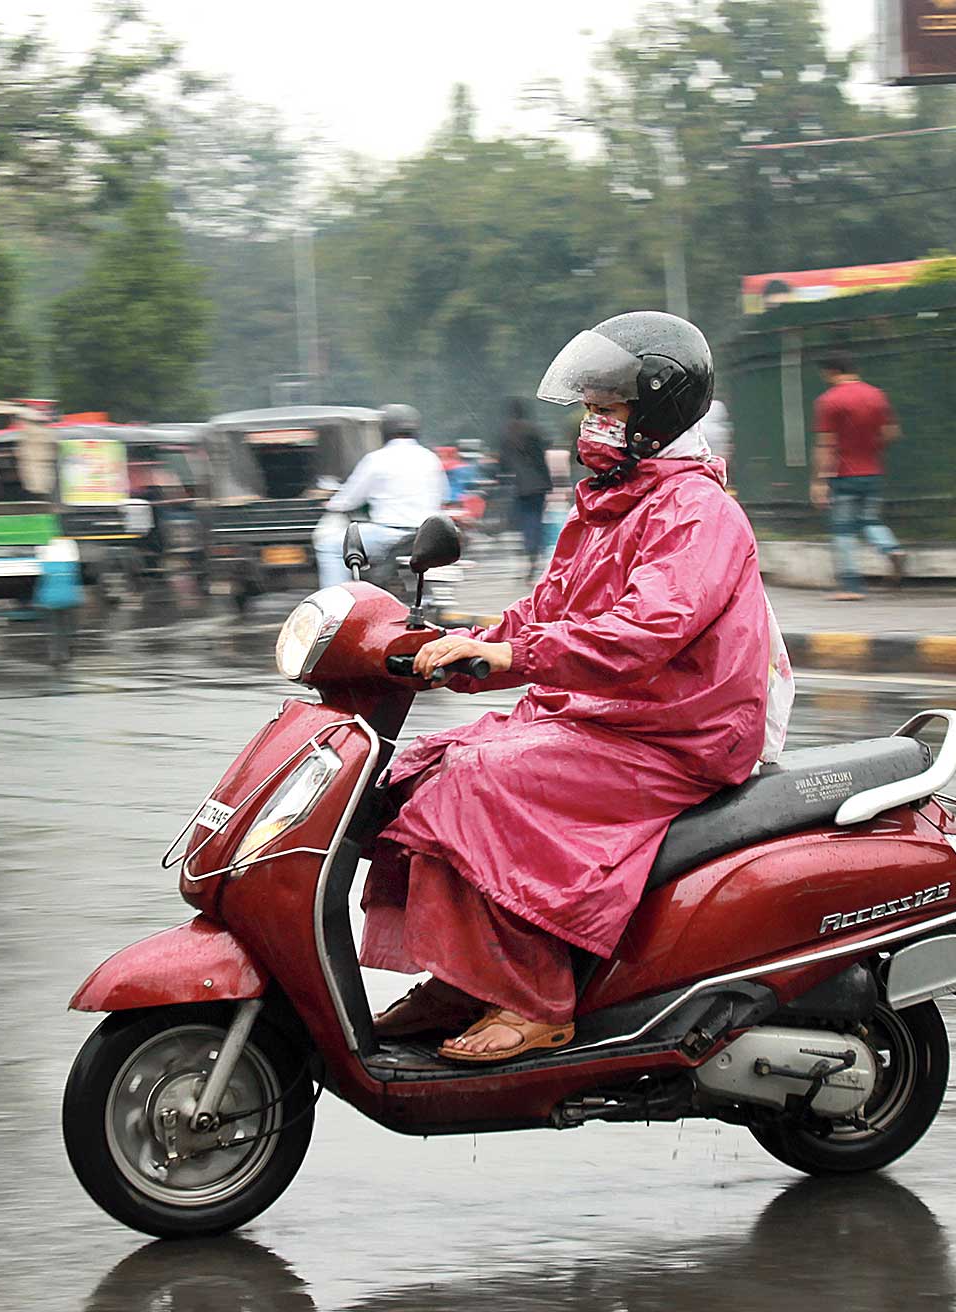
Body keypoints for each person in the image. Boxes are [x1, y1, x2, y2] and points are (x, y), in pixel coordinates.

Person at [358, 312, 790, 1064]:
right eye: (587, 407)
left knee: (473, 784)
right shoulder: (610, 503)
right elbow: (549, 608)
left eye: (608, 408)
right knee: (409, 774)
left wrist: (512, 656)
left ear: (655, 414)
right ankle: (463, 976)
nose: (592, 423)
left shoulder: (695, 511)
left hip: (673, 732)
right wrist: (472, 642)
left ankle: (535, 1001)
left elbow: (643, 631)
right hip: (601, 715)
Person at [810, 353, 905, 601]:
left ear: (830, 372)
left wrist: (820, 481)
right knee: (869, 521)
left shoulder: (829, 401)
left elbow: (826, 444)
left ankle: (851, 586)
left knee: (843, 530)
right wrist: (870, 448)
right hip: (872, 471)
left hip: (843, 474)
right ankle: (892, 549)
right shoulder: (876, 395)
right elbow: (891, 432)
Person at [320, 403, 447, 583]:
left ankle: (335, 602)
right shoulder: (431, 458)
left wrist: (331, 503)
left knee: (329, 547)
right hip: (425, 536)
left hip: (389, 533)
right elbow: (443, 495)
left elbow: (348, 500)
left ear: (384, 430)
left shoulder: (376, 459)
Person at [499, 399, 555, 575]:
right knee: (536, 519)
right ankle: (535, 553)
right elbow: (540, 458)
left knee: (526, 520)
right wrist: (548, 482)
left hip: (519, 484)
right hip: (538, 483)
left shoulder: (508, 434)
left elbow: (504, 462)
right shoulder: (533, 431)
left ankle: (530, 551)